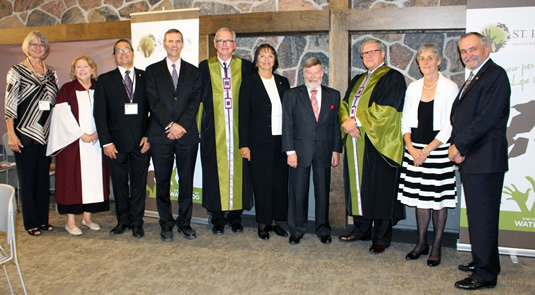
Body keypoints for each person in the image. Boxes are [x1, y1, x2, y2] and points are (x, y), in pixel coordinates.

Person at [449, 32, 510, 290]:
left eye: (472, 49)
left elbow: (486, 119)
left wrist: (459, 146)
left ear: (486, 49)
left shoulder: (495, 75)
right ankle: (485, 262)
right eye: (463, 52)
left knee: (483, 217)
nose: (468, 55)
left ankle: (485, 275)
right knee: (478, 216)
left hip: (484, 158)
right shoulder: (476, 76)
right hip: (475, 158)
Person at [338, 39, 406, 253]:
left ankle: (382, 237)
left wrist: (356, 121)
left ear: (383, 53)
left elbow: (387, 110)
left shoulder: (392, 77)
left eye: (372, 52)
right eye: (364, 53)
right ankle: (361, 229)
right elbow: (344, 104)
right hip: (355, 142)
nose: (368, 56)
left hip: (378, 142)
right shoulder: (358, 79)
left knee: (380, 188)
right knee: (358, 186)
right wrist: (345, 123)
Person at [398, 43, 459, 266]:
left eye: (430, 57)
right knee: (420, 199)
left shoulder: (450, 87)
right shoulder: (413, 88)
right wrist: (412, 148)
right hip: (414, 150)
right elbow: (405, 120)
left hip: (438, 151)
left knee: (438, 201)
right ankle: (421, 243)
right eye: (422, 58)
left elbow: (451, 125)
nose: (425, 62)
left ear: (439, 61)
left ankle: (436, 246)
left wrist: (426, 150)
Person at [145, 29, 201, 242]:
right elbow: (153, 101)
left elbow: (195, 102)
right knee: (163, 181)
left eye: (178, 41)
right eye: (171, 41)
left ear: (182, 44)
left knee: (186, 181)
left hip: (186, 136)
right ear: (164, 44)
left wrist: (181, 126)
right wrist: (170, 125)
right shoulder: (152, 71)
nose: (174, 45)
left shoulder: (194, 72)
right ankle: (166, 223)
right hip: (161, 136)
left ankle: (184, 223)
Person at [94, 39, 150, 239]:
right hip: (115, 145)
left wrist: (149, 136)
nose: (123, 53)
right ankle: (123, 221)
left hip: (141, 144)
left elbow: (154, 110)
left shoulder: (145, 77)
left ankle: (137, 222)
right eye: (119, 51)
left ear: (133, 53)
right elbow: (99, 114)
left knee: (138, 185)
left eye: (126, 50)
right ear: (114, 55)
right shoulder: (105, 80)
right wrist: (106, 142)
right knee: (118, 184)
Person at [282, 57, 342, 245]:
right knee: (297, 193)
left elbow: (335, 125)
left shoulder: (333, 95)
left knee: (322, 193)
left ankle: (323, 229)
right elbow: (287, 125)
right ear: (303, 74)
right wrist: (289, 151)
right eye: (309, 72)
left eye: (316, 72)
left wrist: (336, 150)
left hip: (324, 151)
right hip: (299, 153)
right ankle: (296, 230)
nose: (312, 76)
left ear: (322, 73)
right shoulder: (292, 95)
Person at [47, 56, 109, 236]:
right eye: (78, 67)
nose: (82, 70)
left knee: (93, 180)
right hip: (72, 144)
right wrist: (81, 134)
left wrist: (98, 133)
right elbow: (62, 116)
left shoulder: (100, 87)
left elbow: (108, 111)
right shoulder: (67, 89)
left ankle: (88, 218)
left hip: (96, 143)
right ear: (74, 70)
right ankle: (70, 221)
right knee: (71, 181)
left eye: (86, 66)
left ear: (92, 68)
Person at [199, 27, 253, 235]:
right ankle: (218, 217)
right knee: (214, 173)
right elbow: (199, 101)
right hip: (214, 132)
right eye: (220, 41)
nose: (224, 44)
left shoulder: (246, 67)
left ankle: (235, 217)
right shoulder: (204, 67)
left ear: (234, 45)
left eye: (228, 41)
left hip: (240, 132)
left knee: (239, 173)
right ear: (214, 45)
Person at [5, 31, 58, 236]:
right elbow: (9, 105)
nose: (38, 47)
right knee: (27, 180)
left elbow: (56, 104)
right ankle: (30, 222)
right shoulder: (16, 70)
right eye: (33, 44)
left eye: (41, 44)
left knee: (42, 179)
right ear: (27, 47)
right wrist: (11, 134)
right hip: (24, 133)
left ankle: (43, 220)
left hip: (45, 134)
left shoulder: (51, 72)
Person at [239, 44, 290, 240]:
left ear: (275, 60)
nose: (266, 59)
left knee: (279, 182)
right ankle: (262, 223)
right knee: (262, 183)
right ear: (256, 59)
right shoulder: (249, 82)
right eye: (262, 55)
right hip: (258, 143)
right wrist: (244, 144)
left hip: (281, 142)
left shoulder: (283, 82)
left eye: (270, 55)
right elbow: (243, 115)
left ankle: (275, 222)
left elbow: (289, 113)